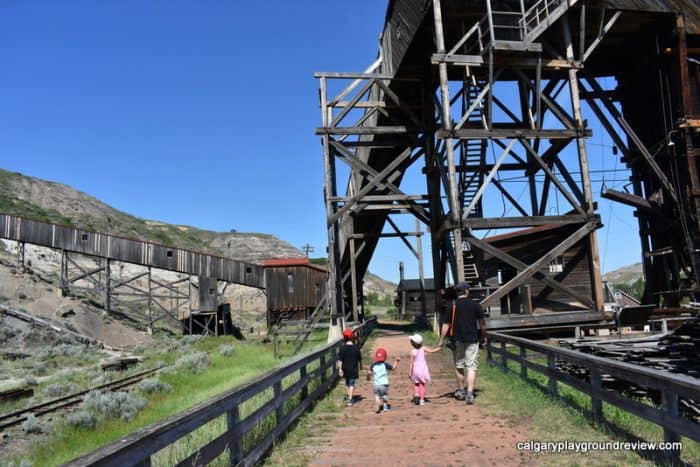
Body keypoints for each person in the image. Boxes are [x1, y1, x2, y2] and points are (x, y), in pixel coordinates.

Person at [437, 281, 487, 405]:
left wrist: (441, 340)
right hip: (472, 340)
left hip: (457, 340)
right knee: (471, 367)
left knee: (459, 366)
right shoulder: (475, 305)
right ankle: (470, 393)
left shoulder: (451, 305)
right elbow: (482, 323)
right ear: (466, 291)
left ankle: (461, 391)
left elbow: (446, 325)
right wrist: (484, 336)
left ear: (457, 292)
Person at [407, 334, 441, 406]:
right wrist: (438, 348)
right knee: (422, 385)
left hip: (415, 370)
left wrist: (410, 372)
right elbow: (432, 351)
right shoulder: (423, 348)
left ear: (413, 343)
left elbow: (411, 363)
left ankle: (416, 394)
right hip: (422, 370)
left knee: (416, 383)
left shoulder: (412, 352)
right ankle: (422, 400)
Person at [367, 347, 400, 413]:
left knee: (377, 395)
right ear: (385, 357)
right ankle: (385, 408)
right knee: (385, 395)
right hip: (384, 384)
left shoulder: (373, 365)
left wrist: (368, 376)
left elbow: (369, 373)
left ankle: (377, 401)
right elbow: (393, 368)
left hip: (376, 385)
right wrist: (396, 361)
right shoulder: (385, 365)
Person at [337, 328, 362, 406]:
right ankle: (350, 398)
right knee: (352, 383)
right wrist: (361, 366)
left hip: (345, 369)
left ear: (344, 338)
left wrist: (340, 369)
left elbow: (340, 360)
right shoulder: (356, 348)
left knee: (347, 383)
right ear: (352, 337)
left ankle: (349, 396)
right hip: (353, 369)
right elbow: (359, 358)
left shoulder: (342, 348)